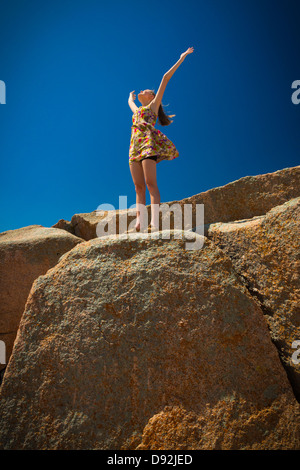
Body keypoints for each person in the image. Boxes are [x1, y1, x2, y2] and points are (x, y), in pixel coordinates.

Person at [128, 47, 194, 233]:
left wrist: (182, 57)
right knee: (138, 187)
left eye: (145, 90)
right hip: (134, 147)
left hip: (148, 145)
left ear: (151, 96)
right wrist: (129, 98)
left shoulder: (154, 105)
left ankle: (155, 223)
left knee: (150, 184)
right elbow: (131, 105)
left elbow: (165, 78)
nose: (142, 91)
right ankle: (139, 224)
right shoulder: (137, 111)